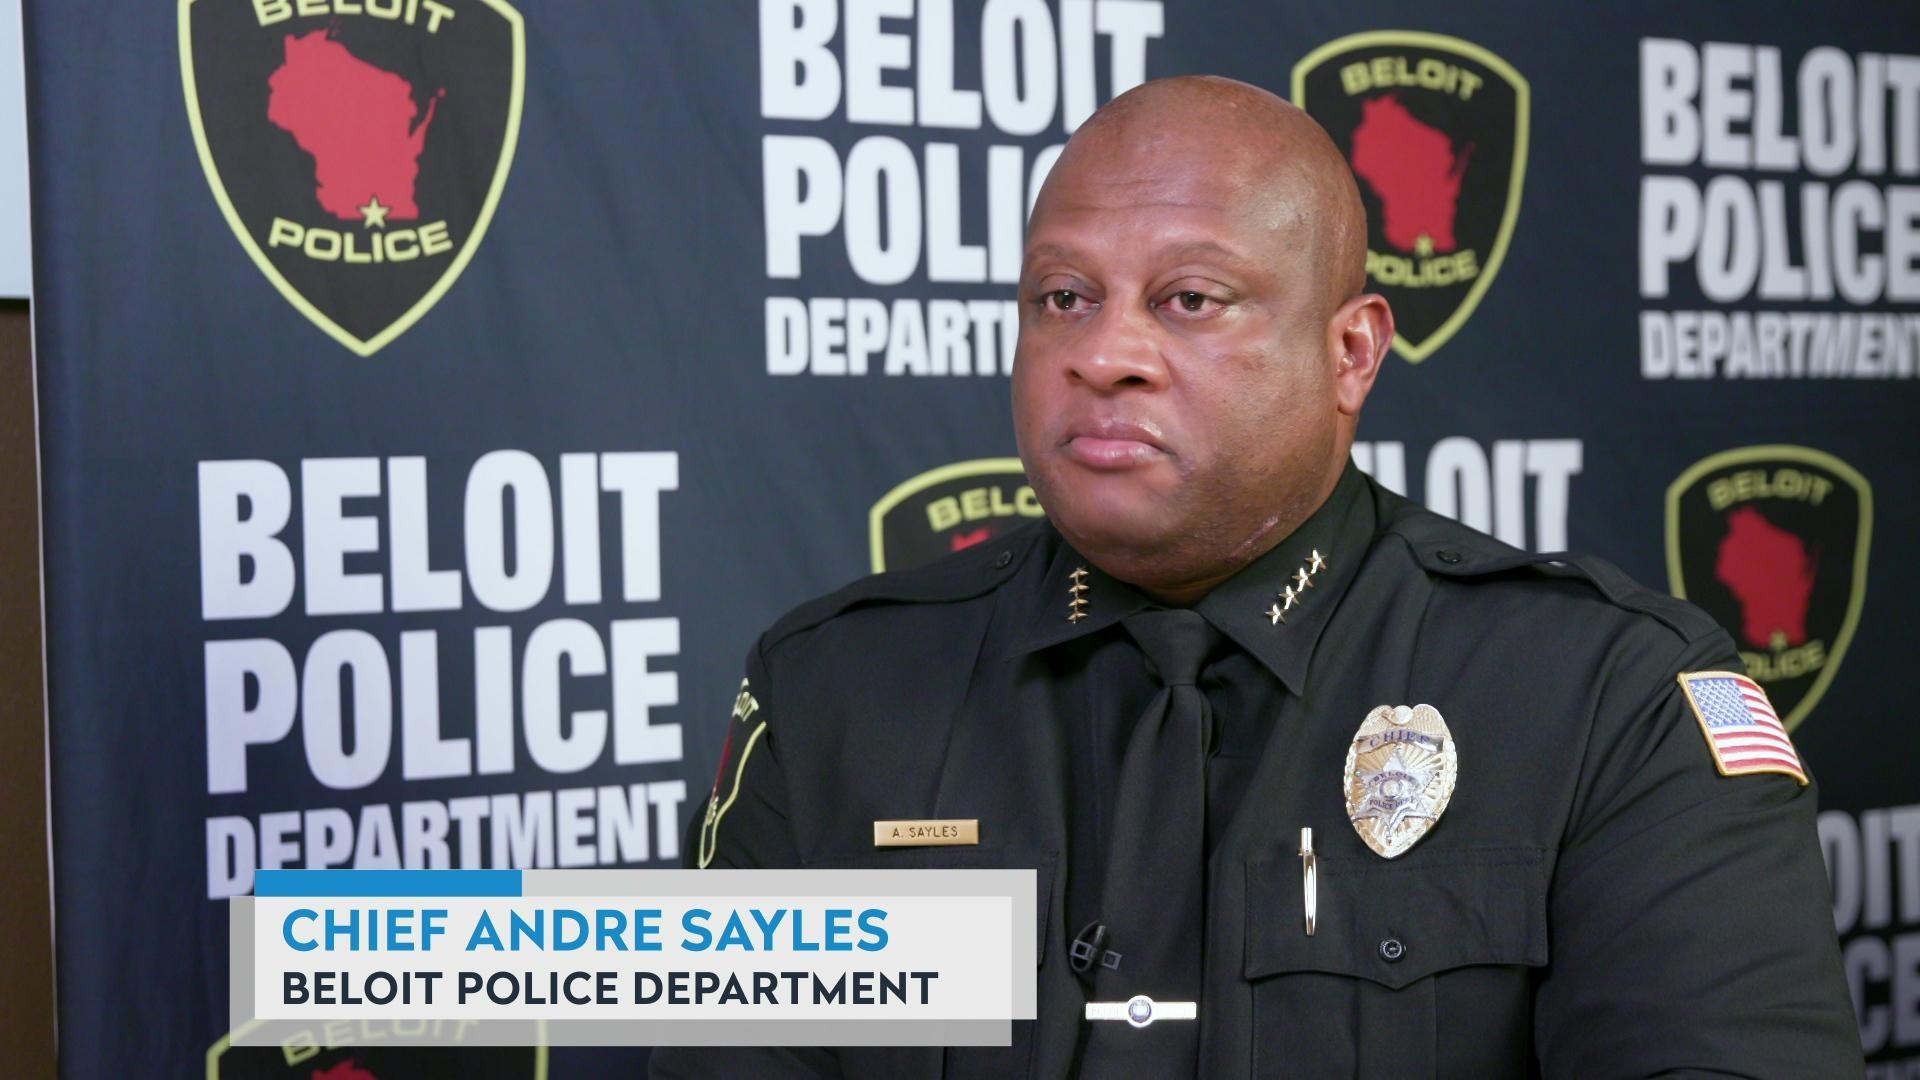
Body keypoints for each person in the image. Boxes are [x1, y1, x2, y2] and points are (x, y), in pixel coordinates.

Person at [650, 76, 1860, 1078]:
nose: (1106, 353)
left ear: (1351, 354)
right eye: (1062, 298)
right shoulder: (836, 692)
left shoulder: (1610, 699)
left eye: (1190, 300)